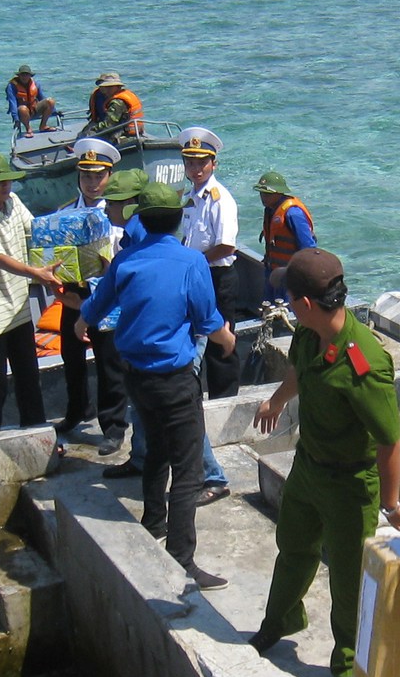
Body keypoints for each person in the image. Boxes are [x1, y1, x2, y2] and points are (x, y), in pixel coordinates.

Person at [251, 249, 400, 677]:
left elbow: (389, 438)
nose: (285, 302)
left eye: (289, 296)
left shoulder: (363, 363)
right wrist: (277, 400)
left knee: (347, 579)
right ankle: (280, 622)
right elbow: (299, 373)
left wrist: (390, 503)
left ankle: (348, 664)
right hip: (309, 468)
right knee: (293, 548)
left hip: (350, 485)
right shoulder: (307, 335)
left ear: (306, 303)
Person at [78, 181, 236, 591]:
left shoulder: (127, 260)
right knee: (186, 473)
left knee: (155, 454)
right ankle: (182, 560)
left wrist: (81, 322)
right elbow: (206, 320)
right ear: (178, 219)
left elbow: (96, 307)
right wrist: (228, 340)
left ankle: (154, 522)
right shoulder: (190, 262)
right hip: (174, 379)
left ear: (141, 219)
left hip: (136, 377)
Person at [0, 151, 61, 434]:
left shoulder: (14, 202)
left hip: (18, 307)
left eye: (8, 181)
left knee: (29, 378)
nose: (6, 187)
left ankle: (38, 434)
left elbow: (36, 231)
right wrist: (36, 274)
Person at [53, 138, 128, 452]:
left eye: (99, 176)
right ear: (78, 177)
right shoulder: (64, 213)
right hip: (74, 295)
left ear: (109, 176)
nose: (93, 183)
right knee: (71, 356)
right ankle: (76, 411)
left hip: (106, 297)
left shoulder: (117, 217)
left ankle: (113, 426)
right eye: (87, 176)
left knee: (110, 361)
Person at [178, 126, 241, 399]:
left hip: (218, 277)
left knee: (221, 343)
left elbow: (226, 244)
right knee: (194, 335)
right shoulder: (190, 198)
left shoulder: (220, 199)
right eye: (190, 162)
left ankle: (224, 399)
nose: (196, 168)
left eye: (202, 162)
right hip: (197, 274)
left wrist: (196, 262)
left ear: (214, 163)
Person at [256, 172, 316, 303]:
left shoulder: (293, 213)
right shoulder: (270, 210)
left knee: (288, 310)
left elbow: (308, 247)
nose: (263, 197)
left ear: (279, 193)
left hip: (290, 275)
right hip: (272, 271)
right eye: (261, 193)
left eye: (267, 194)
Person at [85, 70, 144, 137]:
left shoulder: (118, 103)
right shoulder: (109, 97)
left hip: (122, 134)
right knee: (83, 134)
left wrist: (93, 129)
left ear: (118, 87)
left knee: (87, 135)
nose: (106, 90)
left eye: (110, 87)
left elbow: (109, 124)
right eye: (105, 87)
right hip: (118, 129)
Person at [5, 64, 57, 132]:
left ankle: (43, 126)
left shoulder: (35, 84)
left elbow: (42, 98)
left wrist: (55, 112)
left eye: (26, 74)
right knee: (23, 109)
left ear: (30, 75)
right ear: (19, 76)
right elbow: (12, 103)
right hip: (22, 113)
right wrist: (16, 119)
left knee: (50, 101)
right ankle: (28, 129)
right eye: (22, 74)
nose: (24, 77)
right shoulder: (12, 86)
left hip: (34, 109)